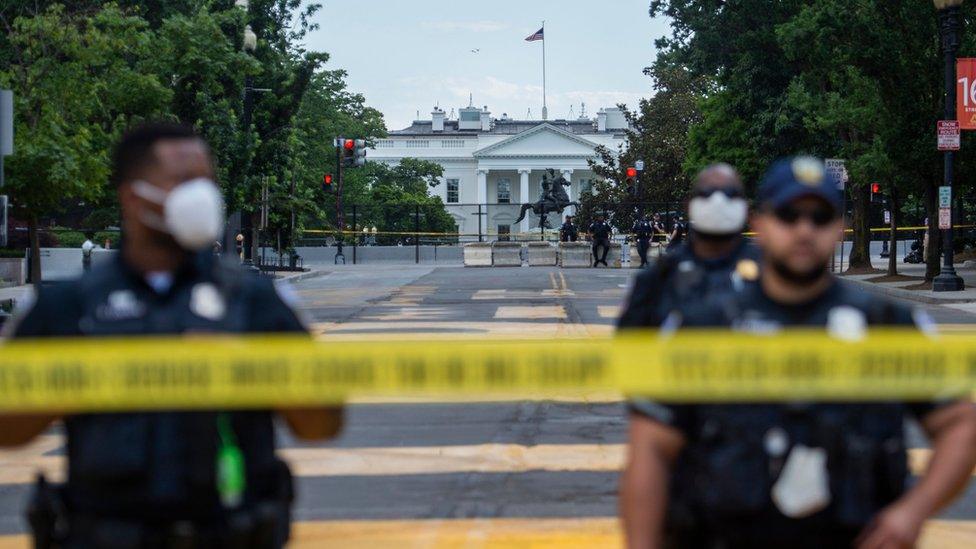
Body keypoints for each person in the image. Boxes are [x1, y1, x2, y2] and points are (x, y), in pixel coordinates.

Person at [0, 123, 343, 548]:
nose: (200, 195)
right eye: (183, 182)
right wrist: (86, 377)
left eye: (206, 181)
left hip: (230, 533)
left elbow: (322, 423)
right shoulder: (70, 305)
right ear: (133, 196)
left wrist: (251, 369)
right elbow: (8, 429)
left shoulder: (255, 300)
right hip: (106, 534)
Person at [620, 156, 976, 549]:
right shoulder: (701, 327)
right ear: (762, 223)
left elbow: (961, 423)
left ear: (839, 227)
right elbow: (651, 450)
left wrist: (913, 511)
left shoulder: (886, 325)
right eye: (789, 215)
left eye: (820, 216)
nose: (804, 229)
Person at [618, 163, 756, 328]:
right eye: (707, 194)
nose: (718, 202)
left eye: (731, 194)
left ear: (746, 207)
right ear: (689, 205)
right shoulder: (659, 277)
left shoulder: (770, 271)